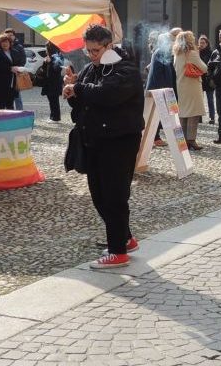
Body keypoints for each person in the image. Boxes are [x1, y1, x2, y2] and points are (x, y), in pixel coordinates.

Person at [64, 25, 145, 268]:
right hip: (96, 141)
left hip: (119, 141)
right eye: (88, 51)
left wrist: (78, 88)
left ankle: (118, 251)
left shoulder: (126, 69)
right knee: (98, 194)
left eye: (96, 50)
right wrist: (72, 93)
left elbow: (107, 94)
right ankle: (125, 238)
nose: (91, 56)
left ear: (109, 46)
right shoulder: (91, 68)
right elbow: (84, 103)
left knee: (115, 195)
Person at [172, 30, 207, 151]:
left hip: (181, 86)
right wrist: (197, 53)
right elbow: (204, 68)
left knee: (183, 113)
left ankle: (182, 141)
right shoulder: (192, 53)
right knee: (193, 114)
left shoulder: (177, 54)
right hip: (192, 87)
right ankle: (191, 140)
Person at [0, 34, 18, 110]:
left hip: (12, 82)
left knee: (10, 104)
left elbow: (18, 62)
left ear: (10, 43)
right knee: (1, 104)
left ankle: (11, 120)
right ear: (0, 43)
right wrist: (10, 68)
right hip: (1, 82)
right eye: (3, 42)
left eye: (6, 42)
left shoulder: (14, 52)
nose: (5, 44)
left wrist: (18, 68)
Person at [39, 43, 65, 121]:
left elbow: (57, 69)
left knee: (54, 101)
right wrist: (45, 62)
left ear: (50, 49)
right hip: (48, 82)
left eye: (46, 47)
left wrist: (50, 62)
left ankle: (56, 118)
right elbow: (44, 70)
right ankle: (52, 116)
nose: (45, 49)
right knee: (51, 100)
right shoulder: (49, 57)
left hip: (54, 82)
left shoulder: (57, 57)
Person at [3, 28, 27, 110]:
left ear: (14, 36)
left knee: (17, 95)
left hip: (17, 74)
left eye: (11, 35)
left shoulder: (19, 47)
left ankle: (20, 112)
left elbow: (23, 60)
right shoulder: (2, 47)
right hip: (6, 75)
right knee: (6, 95)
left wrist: (18, 68)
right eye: (8, 35)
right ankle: (9, 111)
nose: (10, 37)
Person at [198, 34, 216, 124]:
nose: (201, 44)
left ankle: (212, 117)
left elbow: (213, 66)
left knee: (210, 99)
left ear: (207, 43)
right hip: (199, 79)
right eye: (200, 42)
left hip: (208, 79)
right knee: (199, 100)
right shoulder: (196, 52)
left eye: (203, 43)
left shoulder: (211, 53)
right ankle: (199, 117)